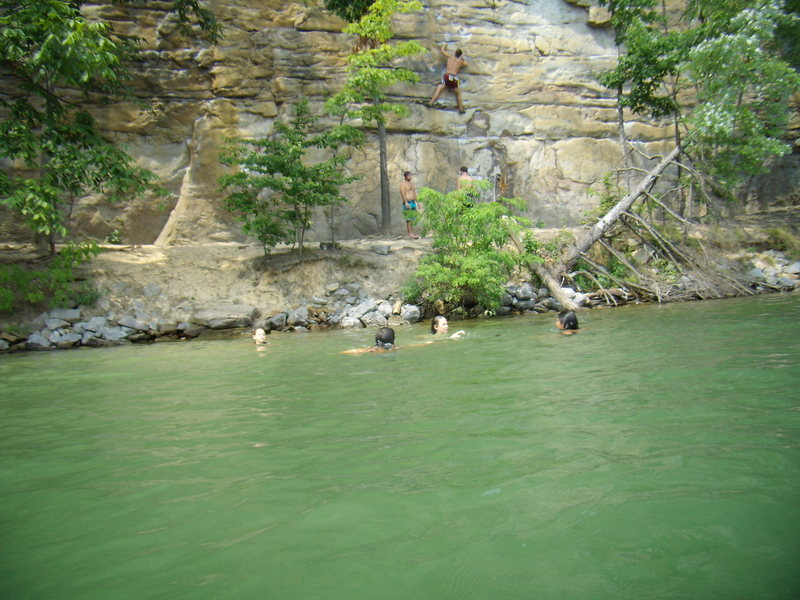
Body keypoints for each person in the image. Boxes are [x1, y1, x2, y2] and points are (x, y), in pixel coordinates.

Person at [429, 42, 469, 113]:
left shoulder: (450, 57)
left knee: (439, 88)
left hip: (447, 76)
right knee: (458, 93)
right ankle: (461, 108)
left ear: (454, 53)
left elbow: (442, 51)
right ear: (460, 55)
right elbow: (467, 64)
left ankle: (431, 102)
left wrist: (445, 45)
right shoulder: (460, 61)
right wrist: (462, 58)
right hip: (453, 77)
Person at [400, 171, 419, 239]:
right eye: (409, 176)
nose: (410, 177)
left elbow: (414, 193)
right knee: (408, 219)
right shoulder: (403, 184)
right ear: (405, 177)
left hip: (413, 202)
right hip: (407, 202)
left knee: (412, 219)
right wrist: (405, 202)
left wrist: (418, 203)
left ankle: (412, 233)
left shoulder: (412, 184)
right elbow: (402, 193)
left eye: (411, 175)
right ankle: (410, 234)